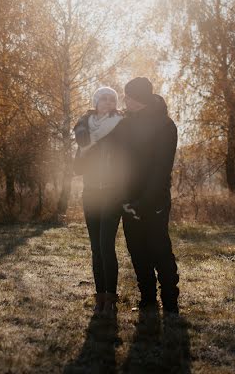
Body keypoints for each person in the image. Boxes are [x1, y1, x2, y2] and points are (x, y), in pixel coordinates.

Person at [106, 77, 180, 314]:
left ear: (140, 99)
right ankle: (147, 298)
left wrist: (145, 202)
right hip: (128, 199)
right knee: (136, 249)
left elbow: (161, 169)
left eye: (128, 96)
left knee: (159, 249)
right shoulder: (125, 124)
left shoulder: (165, 126)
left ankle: (170, 301)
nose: (124, 99)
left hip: (154, 200)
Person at [73, 86, 126, 314]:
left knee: (106, 246)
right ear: (95, 102)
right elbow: (77, 168)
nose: (107, 102)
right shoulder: (86, 131)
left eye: (111, 99)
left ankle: (111, 300)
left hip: (112, 193)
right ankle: (100, 298)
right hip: (91, 193)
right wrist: (84, 152)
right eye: (103, 99)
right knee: (96, 248)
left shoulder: (120, 126)